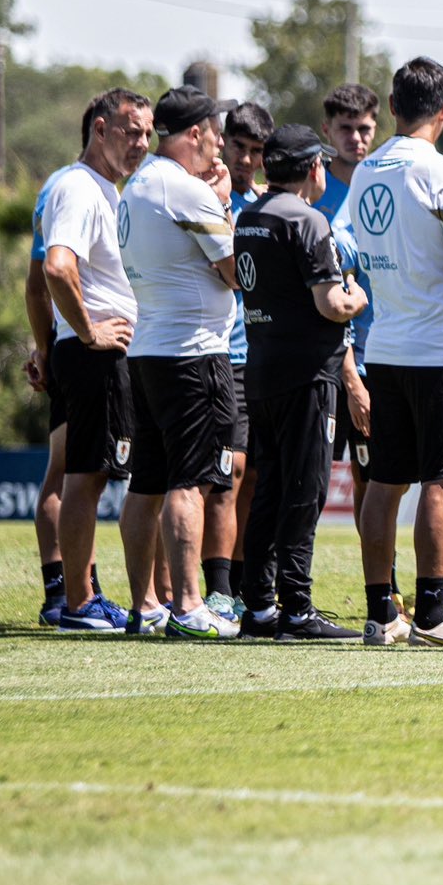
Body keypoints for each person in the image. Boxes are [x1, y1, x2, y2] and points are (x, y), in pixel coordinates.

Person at [343, 58, 443, 648]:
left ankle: (382, 615)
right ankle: (431, 614)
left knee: (385, 483)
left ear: (391, 106)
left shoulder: (364, 174)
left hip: (388, 347)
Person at [233, 125, 370, 639]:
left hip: (263, 368)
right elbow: (331, 304)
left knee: (268, 488)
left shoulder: (249, 217)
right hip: (308, 374)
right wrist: (357, 296)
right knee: (305, 490)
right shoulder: (309, 221)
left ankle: (260, 606)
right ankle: (296, 608)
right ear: (313, 168)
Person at [116, 87, 243, 640]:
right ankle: (189, 606)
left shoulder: (135, 186)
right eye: (214, 137)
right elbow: (237, 271)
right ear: (194, 134)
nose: (218, 150)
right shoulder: (186, 190)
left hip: (147, 351)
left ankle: (146, 605)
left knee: (146, 483)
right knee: (188, 481)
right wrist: (221, 203)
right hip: (192, 352)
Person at [42, 89, 150, 632]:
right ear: (101, 129)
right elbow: (56, 268)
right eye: (132, 131)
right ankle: (79, 604)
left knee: (96, 471)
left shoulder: (105, 189)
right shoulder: (79, 187)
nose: (142, 143)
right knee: (87, 475)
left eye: (148, 133)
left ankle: (84, 598)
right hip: (94, 356)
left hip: (98, 354)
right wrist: (87, 332)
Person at [26, 102, 109, 627]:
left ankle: (67, 589)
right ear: (98, 132)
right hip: (80, 344)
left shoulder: (75, 185)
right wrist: (48, 345)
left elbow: (37, 281)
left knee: (69, 469)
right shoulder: (69, 187)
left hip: (66, 341)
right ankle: (67, 590)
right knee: (72, 470)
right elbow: (44, 278)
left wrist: (43, 345)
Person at [203, 99, 272, 623]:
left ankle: (246, 583)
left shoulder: (267, 204)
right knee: (226, 471)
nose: (246, 159)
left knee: (253, 474)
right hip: (215, 353)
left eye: (256, 151)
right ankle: (216, 588)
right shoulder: (205, 197)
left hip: (261, 355)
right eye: (238, 147)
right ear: (220, 142)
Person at [316, 82, 381, 584]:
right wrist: (348, 367)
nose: (356, 139)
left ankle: (383, 585)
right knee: (312, 481)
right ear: (327, 131)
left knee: (374, 478)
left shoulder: (384, 184)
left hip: (385, 350)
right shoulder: (315, 195)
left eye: (364, 129)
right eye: (346, 129)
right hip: (329, 356)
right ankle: (291, 589)